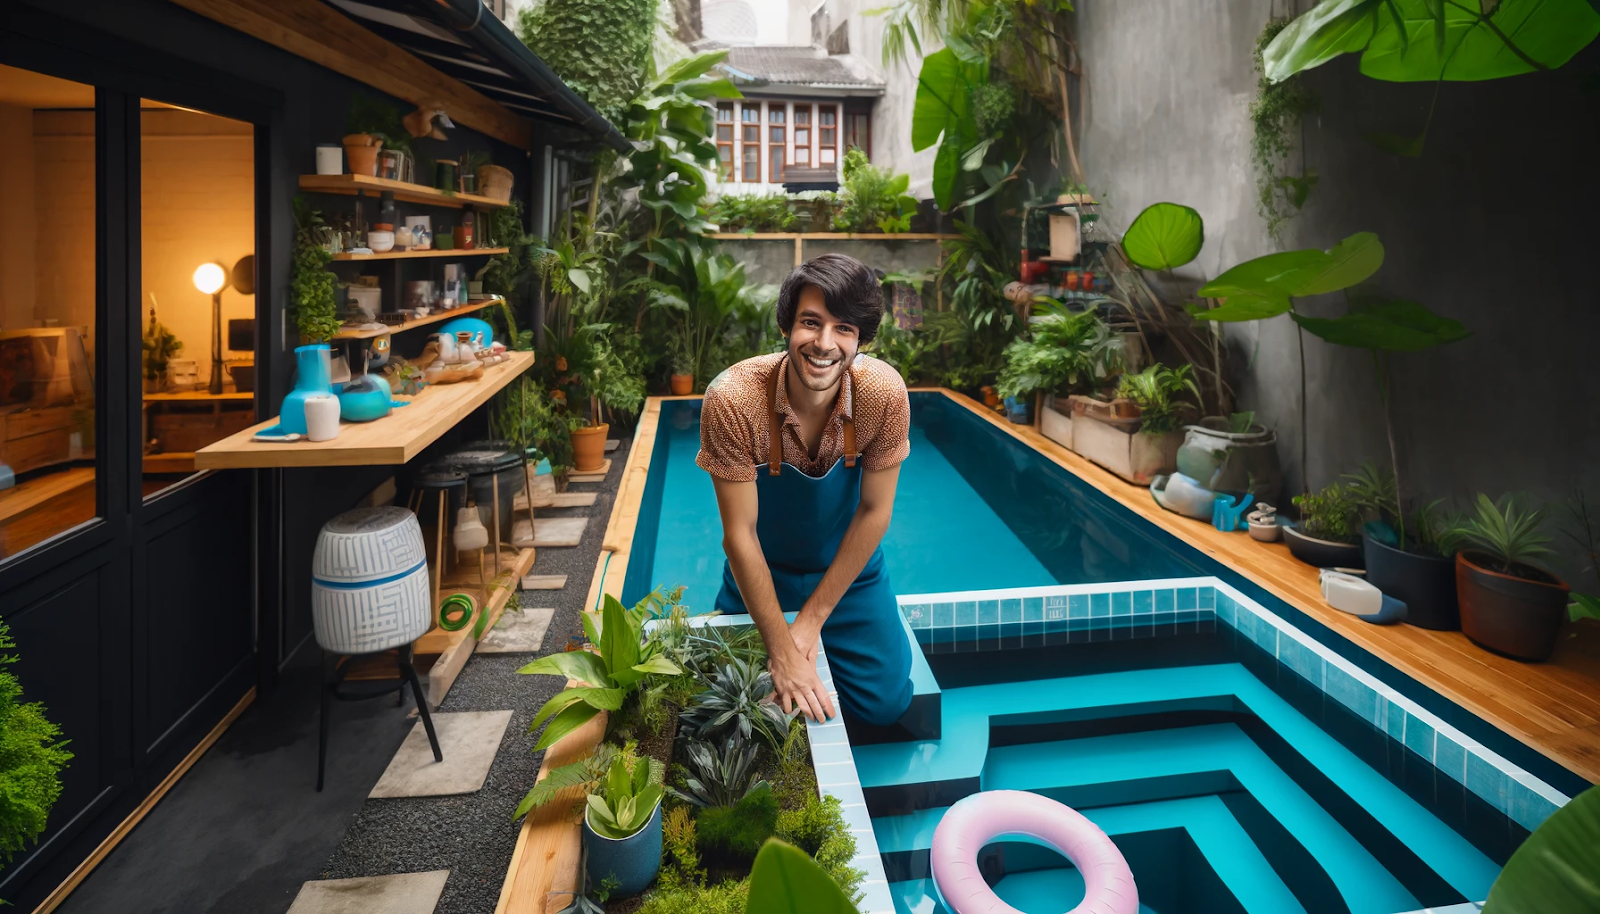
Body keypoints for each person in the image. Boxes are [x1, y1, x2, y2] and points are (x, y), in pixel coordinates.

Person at [696, 253, 913, 726]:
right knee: (737, 712)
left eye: (845, 329)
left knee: (885, 706)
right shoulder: (733, 399)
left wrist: (810, 622)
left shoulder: (884, 395)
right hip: (761, 572)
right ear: (786, 327)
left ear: (861, 340)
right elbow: (739, 534)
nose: (824, 343)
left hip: (849, 574)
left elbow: (875, 512)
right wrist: (781, 648)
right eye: (810, 323)